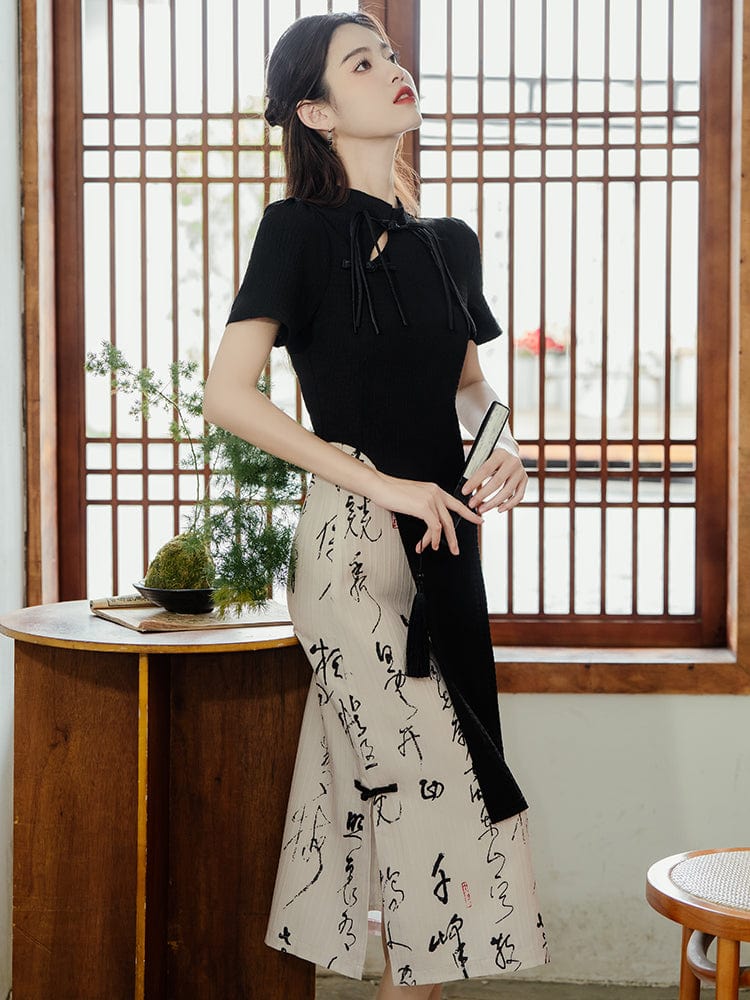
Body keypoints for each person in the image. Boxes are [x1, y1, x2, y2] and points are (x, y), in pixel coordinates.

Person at [203, 10, 549, 997]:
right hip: (352, 549)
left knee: (386, 807)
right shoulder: (295, 231)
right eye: (362, 63)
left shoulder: (450, 243)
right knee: (440, 799)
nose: (392, 68)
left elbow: (469, 383)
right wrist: (379, 478)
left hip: (447, 544)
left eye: (390, 54)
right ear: (316, 111)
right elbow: (228, 395)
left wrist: (502, 441)